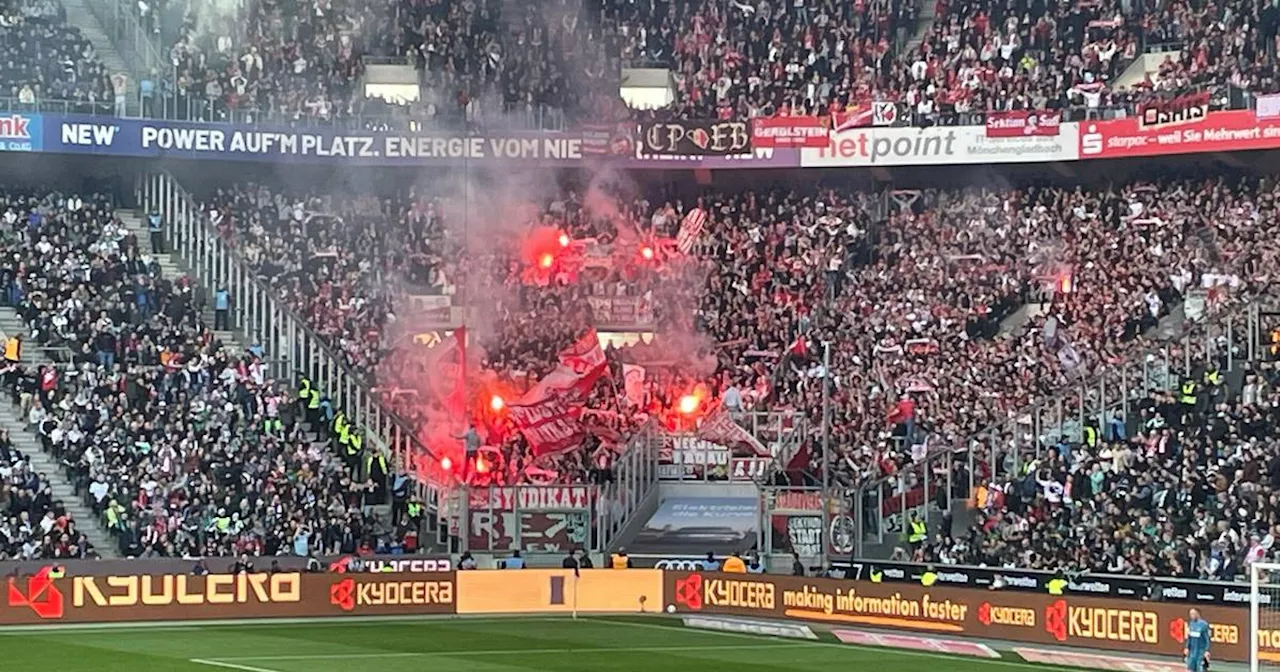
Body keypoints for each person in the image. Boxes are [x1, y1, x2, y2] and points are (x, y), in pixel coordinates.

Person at [1184, 608, 1211, 672]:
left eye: (1193, 614)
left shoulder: (1204, 625)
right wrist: (1187, 647)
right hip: (1192, 652)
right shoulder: (1191, 624)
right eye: (1190, 614)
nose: (1191, 615)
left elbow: (1207, 639)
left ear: (1197, 614)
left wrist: (1207, 651)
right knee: (1190, 669)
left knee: (1201, 669)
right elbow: (1189, 637)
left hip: (1201, 653)